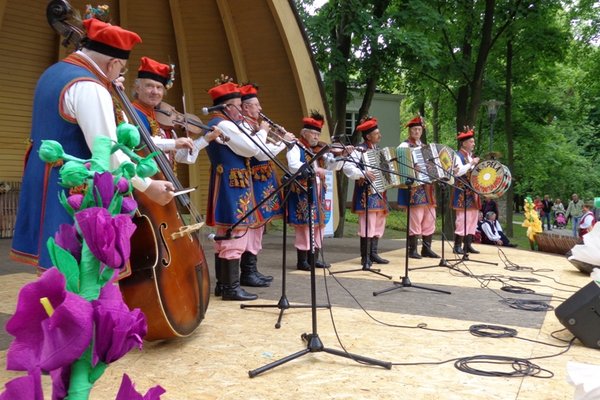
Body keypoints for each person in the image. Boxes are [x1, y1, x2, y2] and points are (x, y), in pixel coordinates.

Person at [11, 18, 174, 271]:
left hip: (43, 177)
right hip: (73, 185)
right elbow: (106, 150)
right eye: (120, 70)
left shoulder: (52, 73)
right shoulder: (90, 86)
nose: (117, 76)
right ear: (113, 62)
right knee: (83, 273)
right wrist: (148, 185)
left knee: (55, 269)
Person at [205, 79, 269, 301]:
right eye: (237, 106)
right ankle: (230, 288)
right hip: (232, 185)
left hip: (232, 183)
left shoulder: (224, 123)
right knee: (235, 233)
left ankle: (224, 285)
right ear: (226, 106)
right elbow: (252, 149)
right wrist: (262, 132)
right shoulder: (224, 124)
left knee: (227, 233)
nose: (241, 111)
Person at [237, 83, 295, 287]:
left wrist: (278, 138)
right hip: (253, 182)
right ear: (245, 107)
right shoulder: (243, 126)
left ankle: (252, 269)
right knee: (252, 225)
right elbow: (261, 153)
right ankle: (246, 272)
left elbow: (265, 148)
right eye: (256, 106)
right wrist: (283, 142)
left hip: (262, 182)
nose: (260, 110)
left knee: (259, 226)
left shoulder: (253, 125)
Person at [132, 57, 220, 163]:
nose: (155, 92)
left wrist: (205, 139)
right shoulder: (130, 113)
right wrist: (174, 143)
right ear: (137, 88)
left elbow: (180, 157)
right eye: (149, 86)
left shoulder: (162, 122)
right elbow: (139, 142)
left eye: (159, 87)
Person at [287, 111, 344, 270]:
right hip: (303, 190)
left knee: (319, 224)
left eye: (318, 134)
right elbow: (293, 165)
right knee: (305, 225)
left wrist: (342, 156)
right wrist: (314, 171)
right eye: (313, 133)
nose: (317, 137)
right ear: (304, 133)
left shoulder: (319, 150)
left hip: (319, 191)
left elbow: (334, 166)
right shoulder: (296, 146)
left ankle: (314, 258)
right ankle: (302, 260)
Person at [343, 116, 390, 266]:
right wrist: (363, 174)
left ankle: (374, 253)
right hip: (366, 193)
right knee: (367, 224)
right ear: (368, 136)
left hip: (380, 192)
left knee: (378, 223)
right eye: (377, 133)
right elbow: (347, 168)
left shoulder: (379, 151)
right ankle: (365, 257)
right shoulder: (359, 150)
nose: (380, 136)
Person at [397, 116, 439, 259]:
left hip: (427, 186)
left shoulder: (425, 147)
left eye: (419, 129)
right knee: (416, 217)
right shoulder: (404, 146)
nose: (416, 132)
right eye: (414, 129)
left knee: (430, 217)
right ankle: (412, 249)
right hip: (415, 187)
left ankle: (426, 249)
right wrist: (412, 168)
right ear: (410, 131)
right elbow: (399, 166)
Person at [451, 127, 481, 254]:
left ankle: (467, 245)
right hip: (462, 192)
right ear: (464, 143)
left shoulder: (470, 156)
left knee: (473, 219)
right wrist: (471, 164)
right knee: (462, 219)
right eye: (471, 141)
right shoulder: (457, 156)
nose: (473, 144)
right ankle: (457, 245)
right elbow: (458, 172)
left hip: (472, 192)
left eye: (473, 141)